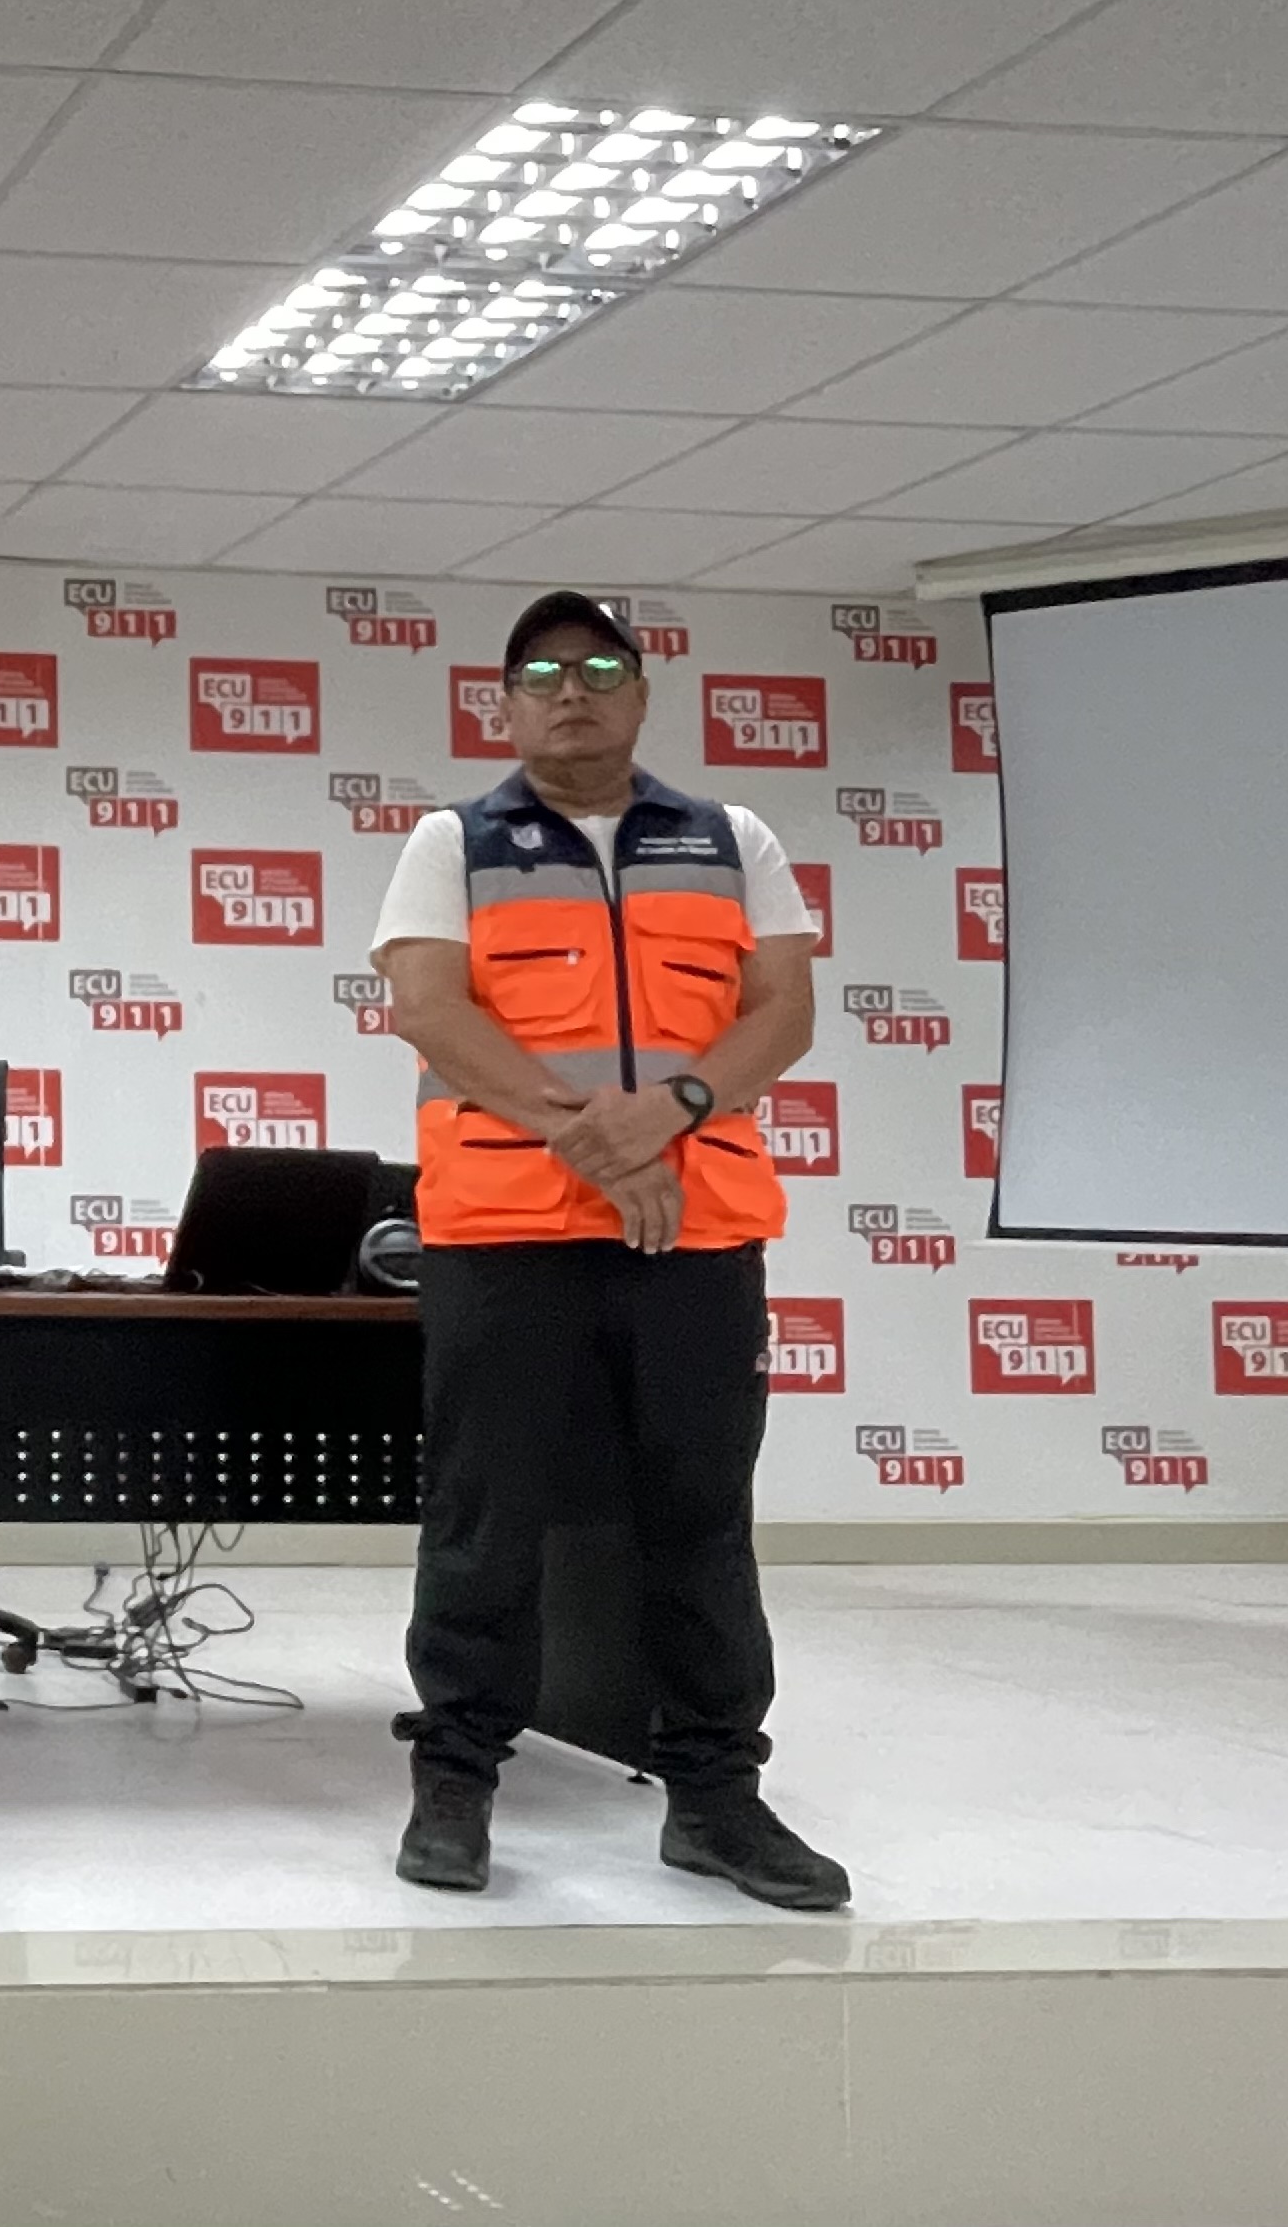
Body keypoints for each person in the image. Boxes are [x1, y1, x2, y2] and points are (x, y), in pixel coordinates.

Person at [369, 589, 851, 1913]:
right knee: (487, 1519)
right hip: (506, 1230)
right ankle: (456, 1781)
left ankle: (716, 1799)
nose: (569, 692)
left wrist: (671, 1113)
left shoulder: (731, 839)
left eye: (597, 669)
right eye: (540, 675)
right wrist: (590, 1137)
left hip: (696, 1233)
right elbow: (430, 1007)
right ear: (504, 706)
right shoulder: (451, 842)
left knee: (700, 1523)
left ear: (640, 693)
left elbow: (782, 1011)